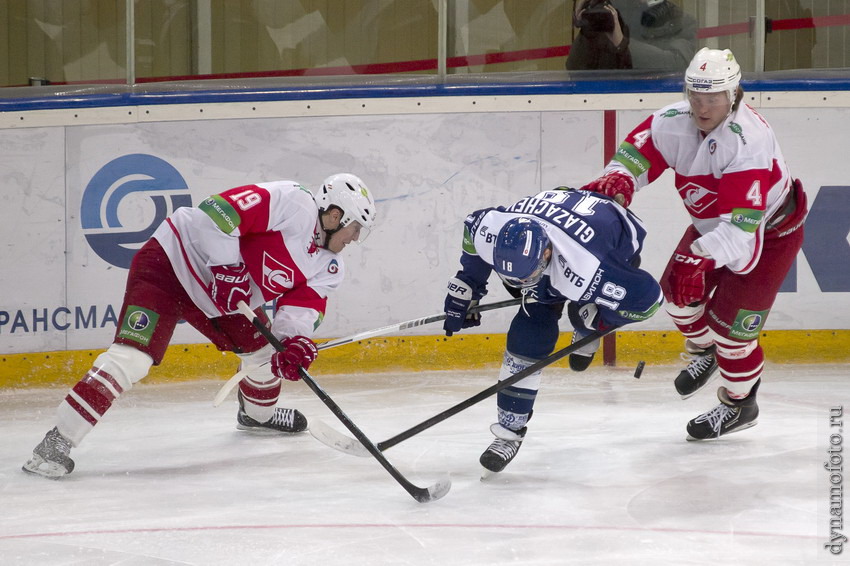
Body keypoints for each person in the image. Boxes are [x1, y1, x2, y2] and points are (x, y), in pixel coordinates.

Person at [23, 174, 377, 478]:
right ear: (334, 215)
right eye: (354, 228)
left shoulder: (329, 267)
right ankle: (56, 441)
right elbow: (216, 211)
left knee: (268, 355)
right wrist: (226, 267)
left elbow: (299, 311)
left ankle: (257, 417)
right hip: (172, 261)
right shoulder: (292, 201)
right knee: (132, 358)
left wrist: (295, 343)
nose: (355, 239)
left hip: (225, 298)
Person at [580, 47, 807, 440]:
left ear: (734, 94)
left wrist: (696, 259)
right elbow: (634, 156)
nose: (702, 108)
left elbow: (740, 235)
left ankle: (740, 405)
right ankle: (705, 352)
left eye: (713, 99)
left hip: (769, 232)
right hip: (713, 226)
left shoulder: (747, 141)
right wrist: (619, 179)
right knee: (677, 295)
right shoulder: (672, 120)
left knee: (732, 332)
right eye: (696, 97)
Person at [442, 187, 663, 473]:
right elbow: (473, 226)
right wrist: (469, 283)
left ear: (546, 252)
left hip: (613, 237)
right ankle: (511, 428)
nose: (522, 285)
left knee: (585, 309)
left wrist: (600, 322)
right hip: (561, 219)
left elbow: (649, 301)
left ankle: (584, 326)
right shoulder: (492, 229)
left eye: (528, 277)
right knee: (530, 334)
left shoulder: (588, 270)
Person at [566, 0, 696, 72]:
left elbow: (678, 63)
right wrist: (588, 32)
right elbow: (575, 68)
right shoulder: (609, 15)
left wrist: (623, 43)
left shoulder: (679, 20)